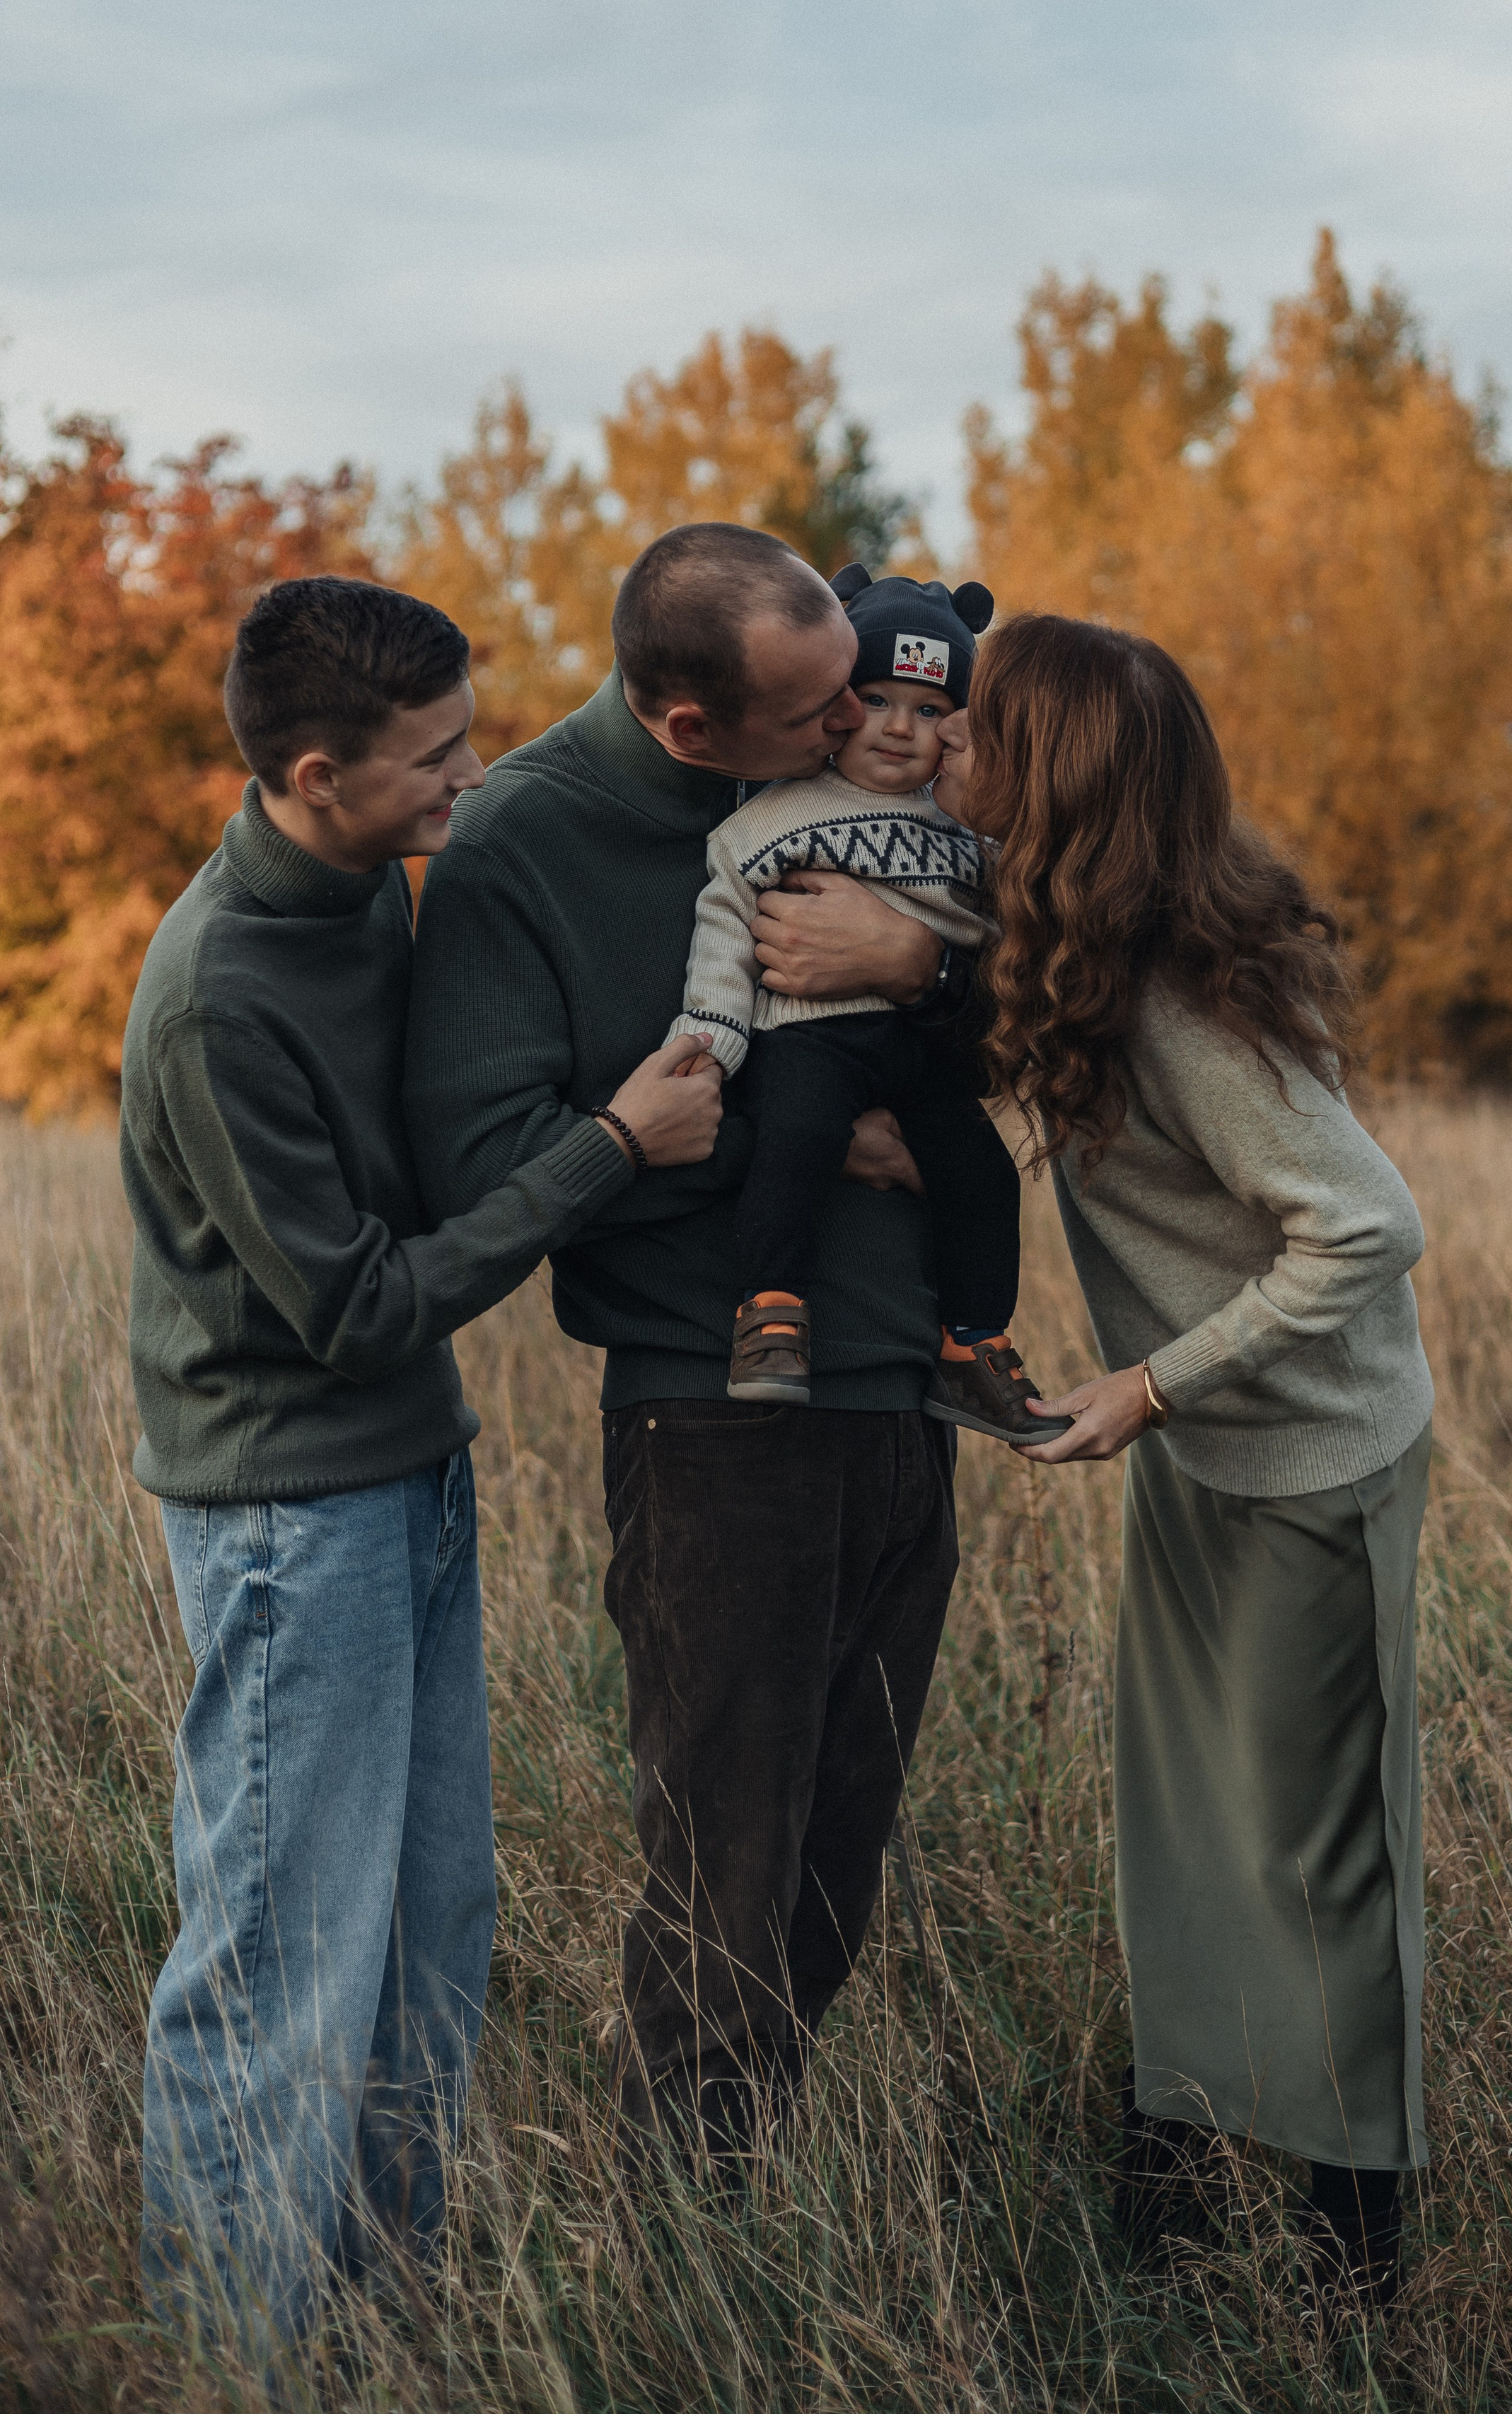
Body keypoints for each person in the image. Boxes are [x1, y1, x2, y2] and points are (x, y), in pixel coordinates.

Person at [121, 576, 723, 2355]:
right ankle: (234, 2357)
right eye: (440, 756)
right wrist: (612, 1143)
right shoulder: (220, 997)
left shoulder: (376, 884)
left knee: (425, 1930)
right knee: (279, 1958)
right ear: (319, 775)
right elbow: (364, 1307)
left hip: (409, 1479)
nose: (475, 775)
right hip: (286, 1509)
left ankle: (379, 2329)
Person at [404, 523, 968, 2163]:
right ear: (687, 727)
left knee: (834, 1865)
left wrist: (916, 968)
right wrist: (811, 1135)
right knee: (726, 1874)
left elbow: (1012, 997)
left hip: (898, 1393)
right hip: (713, 1419)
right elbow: (498, 1152)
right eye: (813, 710)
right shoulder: (521, 841)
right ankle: (688, 2252)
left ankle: (753, 2208)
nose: (857, 721)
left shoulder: (846, 783)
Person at [943, 616, 1436, 2314]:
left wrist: (1152, 1383)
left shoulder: (1174, 996)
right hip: (1205, 1448)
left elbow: (1367, 1225)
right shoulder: (1084, 932)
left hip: (1306, 1457)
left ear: (1043, 778)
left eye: (975, 732)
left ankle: (1355, 2226)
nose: (942, 745)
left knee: (1313, 1840)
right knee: (1184, 1814)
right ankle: (1180, 2135)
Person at [666, 563, 1066, 1441]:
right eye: (878, 698)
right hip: (807, 1036)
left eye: (929, 711)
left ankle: (972, 1344)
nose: (898, 727)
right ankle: (770, 1311)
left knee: (982, 1174)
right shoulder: (767, 817)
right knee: (798, 1138)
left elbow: (1003, 951)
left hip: (922, 1043)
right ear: (837, 704)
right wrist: (711, 1035)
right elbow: (725, 925)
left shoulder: (974, 836)